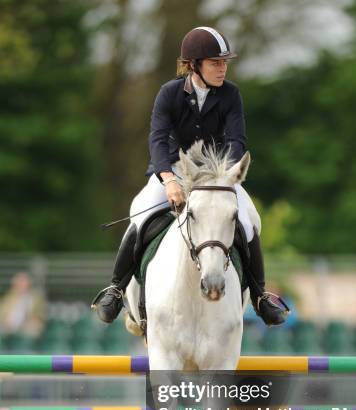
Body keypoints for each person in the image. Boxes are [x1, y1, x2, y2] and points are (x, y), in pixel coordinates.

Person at [92, 26, 287, 326]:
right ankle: (116, 289)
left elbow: (237, 141)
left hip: (216, 179)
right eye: (215, 62)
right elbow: (157, 139)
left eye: (224, 62)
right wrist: (168, 179)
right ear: (194, 64)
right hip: (173, 172)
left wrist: (225, 177)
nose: (223, 68)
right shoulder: (169, 93)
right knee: (140, 214)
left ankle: (261, 297)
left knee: (249, 221)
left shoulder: (231, 94)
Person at [0, 272, 46, 339]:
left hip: (28, 325)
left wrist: (30, 321)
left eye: (24, 282)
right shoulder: (8, 298)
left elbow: (39, 314)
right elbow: (2, 313)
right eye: (20, 282)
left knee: (32, 328)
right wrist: (5, 322)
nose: (22, 285)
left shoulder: (35, 298)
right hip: (8, 325)